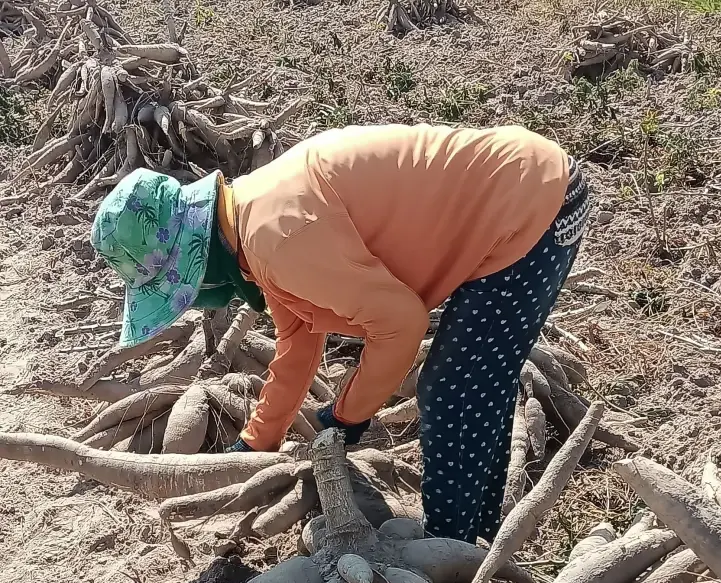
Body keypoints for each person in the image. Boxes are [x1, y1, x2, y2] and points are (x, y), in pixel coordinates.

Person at [91, 123, 589, 544]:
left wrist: (345, 417)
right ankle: (478, 534)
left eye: (186, 290)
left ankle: (452, 554)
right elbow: (297, 343)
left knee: (451, 388)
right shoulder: (251, 223)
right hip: (529, 192)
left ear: (197, 262)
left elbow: (400, 325)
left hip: (532, 205)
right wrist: (255, 444)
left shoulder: (278, 237)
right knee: (479, 381)